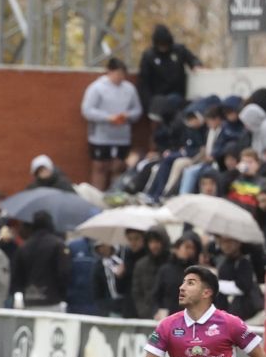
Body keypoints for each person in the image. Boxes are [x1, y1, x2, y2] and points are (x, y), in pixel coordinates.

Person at [80, 57, 142, 191]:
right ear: (109, 72)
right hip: (101, 136)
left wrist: (127, 116)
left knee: (118, 166)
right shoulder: (97, 88)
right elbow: (87, 110)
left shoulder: (129, 89)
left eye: (122, 74)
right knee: (100, 167)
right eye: (117, 73)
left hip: (122, 136)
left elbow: (137, 110)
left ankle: (115, 194)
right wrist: (108, 118)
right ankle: (97, 194)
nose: (120, 77)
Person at [10, 210, 70, 309]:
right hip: (52, 299)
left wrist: (19, 293)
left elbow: (16, 274)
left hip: (29, 299)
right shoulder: (58, 245)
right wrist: (63, 295)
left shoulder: (24, 247)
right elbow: (64, 272)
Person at [137, 24, 200, 114]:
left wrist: (195, 65)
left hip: (179, 95)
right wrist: (148, 104)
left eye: (165, 43)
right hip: (159, 98)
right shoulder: (149, 56)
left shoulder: (179, 50)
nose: (163, 47)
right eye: (160, 44)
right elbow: (144, 82)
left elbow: (192, 59)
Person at [127, 228, 171, 320]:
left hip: (170, 317)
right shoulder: (141, 265)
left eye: (157, 242)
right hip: (147, 317)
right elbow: (137, 292)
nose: (154, 246)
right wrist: (146, 313)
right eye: (151, 242)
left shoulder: (172, 263)